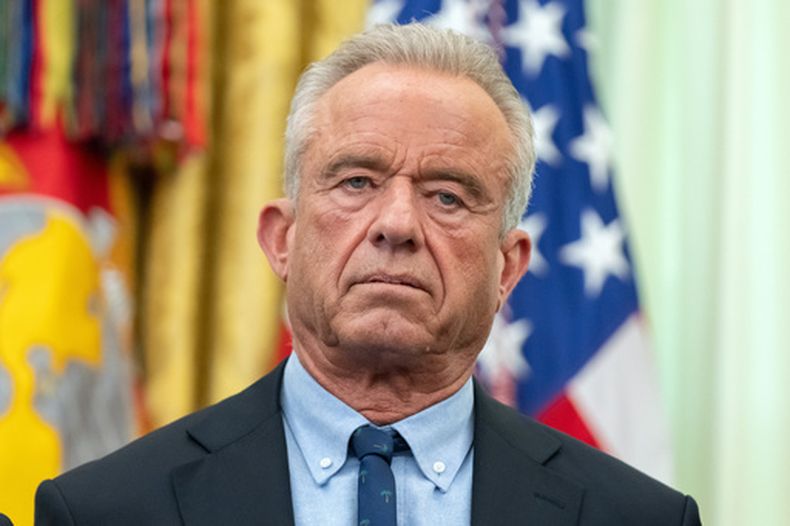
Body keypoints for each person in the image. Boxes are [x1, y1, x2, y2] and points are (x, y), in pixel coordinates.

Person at [35, 24, 701, 525]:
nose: (398, 224)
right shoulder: (106, 511)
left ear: (508, 268)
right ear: (282, 239)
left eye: (447, 195)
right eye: (357, 181)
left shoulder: (635, 518)